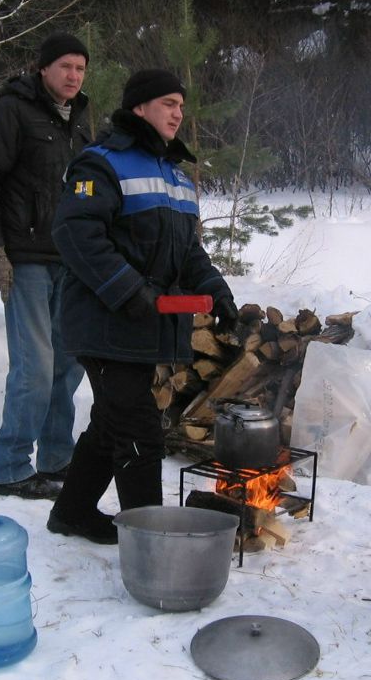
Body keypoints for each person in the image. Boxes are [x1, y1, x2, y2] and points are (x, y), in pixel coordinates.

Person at [45, 69, 239, 544]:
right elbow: (75, 233)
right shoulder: (101, 164)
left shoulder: (175, 175)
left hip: (140, 326)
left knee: (112, 421)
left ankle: (71, 513)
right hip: (103, 322)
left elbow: (188, 253)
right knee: (139, 431)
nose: (178, 113)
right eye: (168, 103)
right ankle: (151, 545)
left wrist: (217, 291)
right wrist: (129, 291)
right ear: (139, 108)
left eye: (181, 105)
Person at [0, 32, 91, 500]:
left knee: (67, 366)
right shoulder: (11, 111)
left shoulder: (80, 118)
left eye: (80, 68)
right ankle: (11, 467)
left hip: (70, 258)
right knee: (35, 367)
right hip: (26, 258)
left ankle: (56, 459)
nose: (73, 76)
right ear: (43, 69)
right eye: (65, 67)